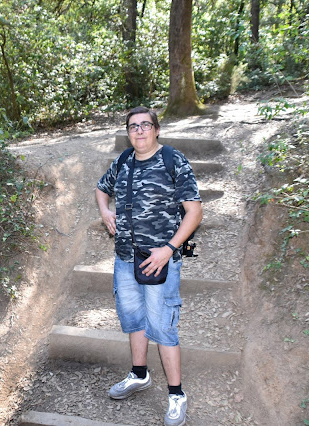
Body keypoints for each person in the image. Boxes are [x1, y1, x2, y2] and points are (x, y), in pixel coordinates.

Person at [95, 106, 202, 426]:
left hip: (161, 262)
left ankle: (176, 394)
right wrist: (105, 212)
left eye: (145, 125)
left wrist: (169, 249)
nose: (139, 130)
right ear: (127, 132)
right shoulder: (123, 161)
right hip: (125, 259)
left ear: (156, 129)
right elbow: (102, 189)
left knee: (163, 326)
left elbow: (194, 213)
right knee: (134, 319)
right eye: (132, 126)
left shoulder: (173, 160)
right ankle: (139, 375)